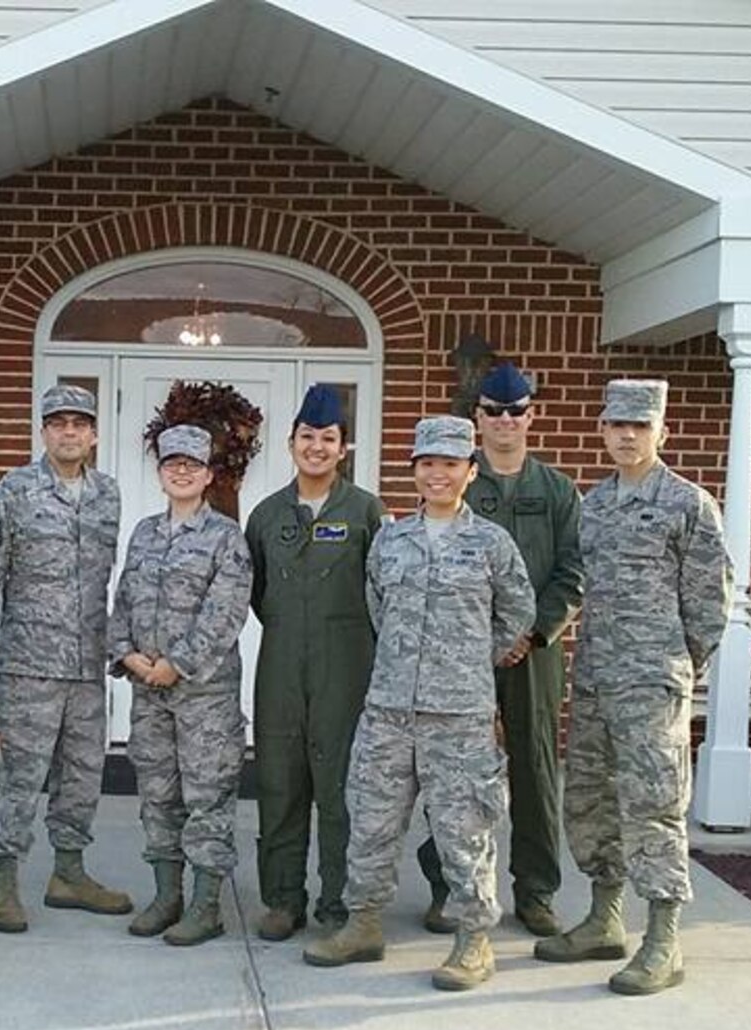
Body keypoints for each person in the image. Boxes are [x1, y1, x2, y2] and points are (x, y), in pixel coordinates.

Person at [304, 415, 534, 991]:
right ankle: (362, 925)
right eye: (427, 464)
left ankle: (474, 940)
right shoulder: (390, 539)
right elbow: (377, 607)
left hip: (459, 713)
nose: (437, 474)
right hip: (388, 709)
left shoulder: (491, 543)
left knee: (464, 830)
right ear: (414, 472)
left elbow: (517, 615)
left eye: (450, 464)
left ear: (470, 471)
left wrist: (470, 661)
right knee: (373, 822)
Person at [536, 379, 732, 995]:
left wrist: (674, 664)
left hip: (651, 684)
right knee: (591, 798)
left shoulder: (688, 504)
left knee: (654, 806)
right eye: (617, 425)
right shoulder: (592, 505)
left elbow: (710, 603)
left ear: (661, 433)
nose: (627, 435)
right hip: (596, 676)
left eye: (639, 426)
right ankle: (605, 918)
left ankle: (664, 939)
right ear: (602, 431)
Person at [417, 363, 584, 937]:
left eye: (516, 411)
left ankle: (535, 890)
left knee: (535, 771)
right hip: (461, 655)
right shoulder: (461, 479)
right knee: (454, 771)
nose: (505, 421)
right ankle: (447, 883)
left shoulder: (557, 490)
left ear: (531, 415)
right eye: (493, 410)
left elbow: (573, 573)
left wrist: (532, 632)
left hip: (533, 652)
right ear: (477, 418)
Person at [0, 384, 133, 932]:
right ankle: (4, 880)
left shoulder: (107, 494)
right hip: (29, 663)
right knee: (23, 775)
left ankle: (68, 873)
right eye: (58, 422)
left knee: (84, 775)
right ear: (43, 431)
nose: (69, 431)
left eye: (79, 423)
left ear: (93, 434)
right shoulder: (13, 492)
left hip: (88, 663)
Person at [245, 384, 386, 940]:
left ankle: (337, 901)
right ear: (291, 443)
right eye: (308, 437)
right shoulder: (265, 515)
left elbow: (382, 589)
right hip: (280, 663)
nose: (317, 447)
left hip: (346, 666)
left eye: (329, 438)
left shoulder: (365, 511)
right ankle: (283, 900)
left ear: (343, 448)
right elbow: (255, 593)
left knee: (341, 786)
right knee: (279, 781)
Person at [108, 424, 253, 947]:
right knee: (158, 795)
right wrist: (125, 653)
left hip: (204, 698)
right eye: (173, 463)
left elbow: (226, 613)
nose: (182, 471)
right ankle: (166, 896)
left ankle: (206, 905)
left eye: (192, 464)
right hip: (148, 693)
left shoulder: (225, 538)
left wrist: (178, 663)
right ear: (162, 472)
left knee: (207, 798)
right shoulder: (145, 532)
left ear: (209, 475)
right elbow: (123, 599)